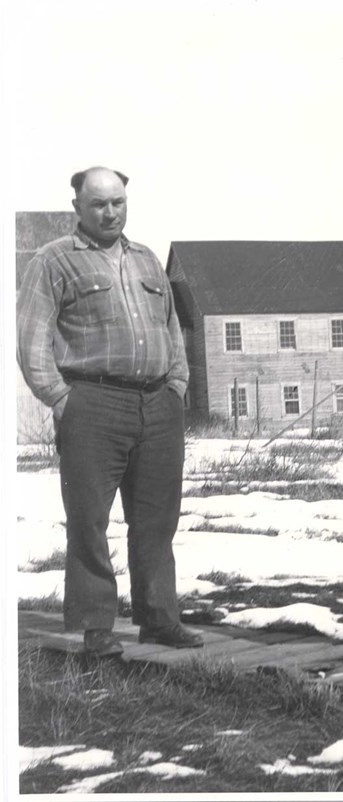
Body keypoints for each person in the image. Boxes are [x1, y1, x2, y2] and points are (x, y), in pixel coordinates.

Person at [17, 166, 203, 657]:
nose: (110, 212)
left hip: (158, 404)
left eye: (118, 202)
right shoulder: (52, 261)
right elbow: (32, 339)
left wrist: (176, 387)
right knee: (88, 519)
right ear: (77, 206)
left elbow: (170, 330)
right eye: (98, 203)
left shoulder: (145, 259)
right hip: (92, 404)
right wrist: (61, 398)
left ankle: (160, 618)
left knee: (157, 520)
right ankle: (96, 626)